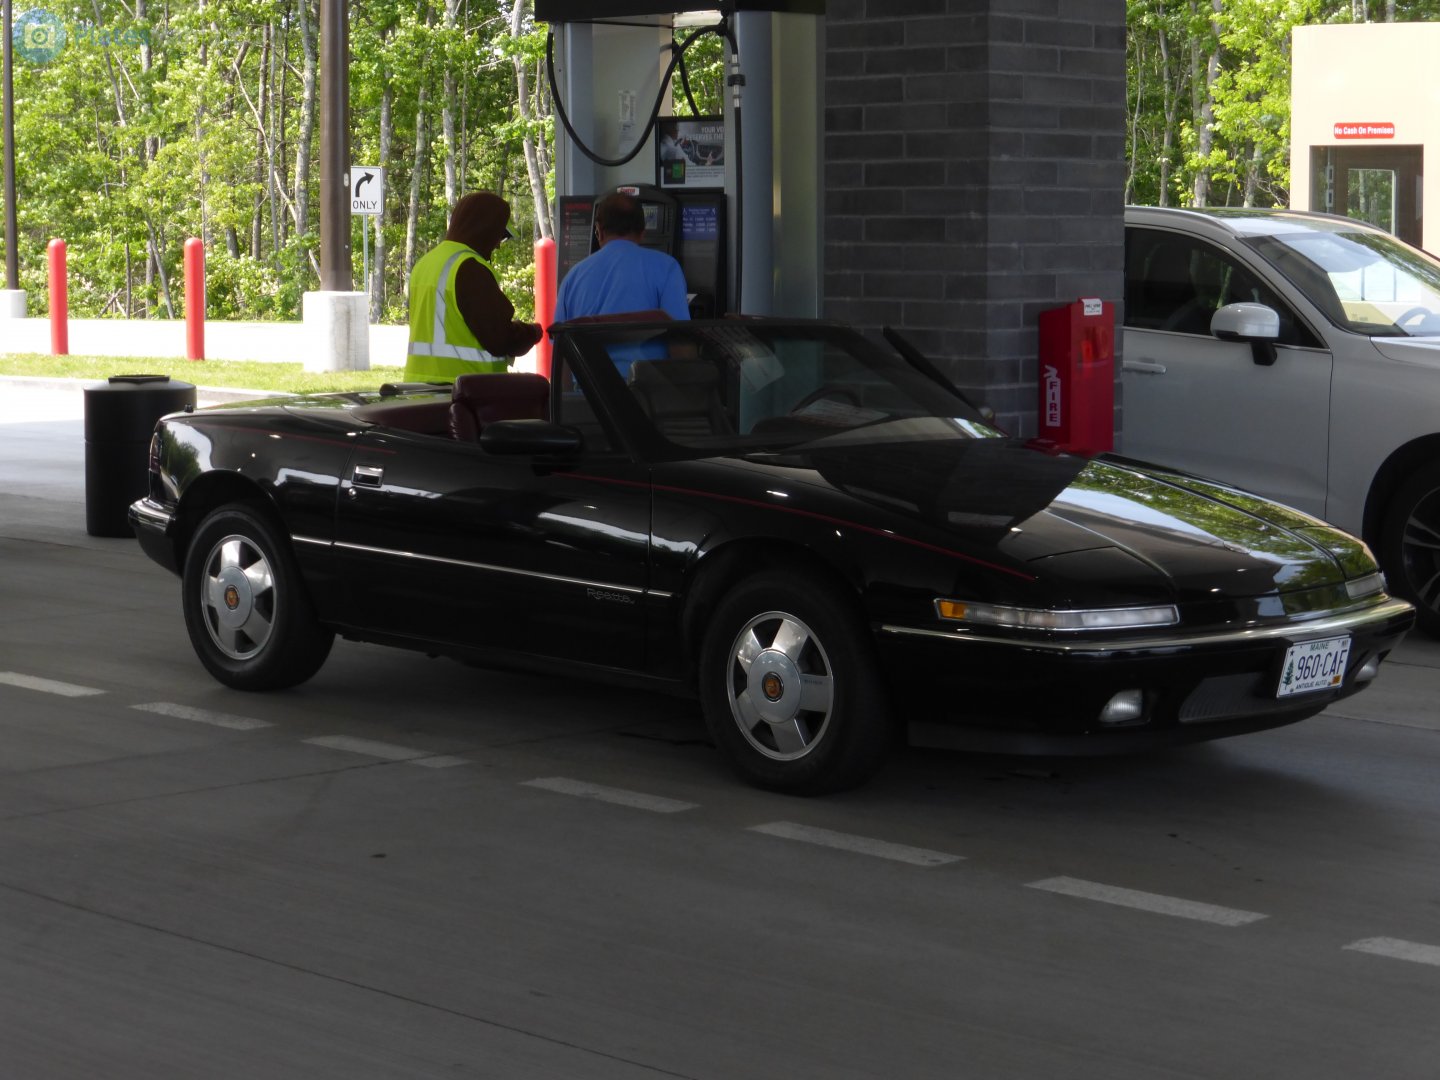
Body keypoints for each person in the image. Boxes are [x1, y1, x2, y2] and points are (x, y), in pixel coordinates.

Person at [406, 191, 542, 382]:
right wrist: (533, 332)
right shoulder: (469, 268)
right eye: (499, 235)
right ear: (485, 230)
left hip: (420, 388)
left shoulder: (426, 262)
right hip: (466, 389)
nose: (498, 245)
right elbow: (499, 338)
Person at [553, 192, 691, 327]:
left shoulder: (572, 278)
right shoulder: (667, 268)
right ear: (642, 233)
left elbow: (558, 337)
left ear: (599, 231)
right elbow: (680, 334)